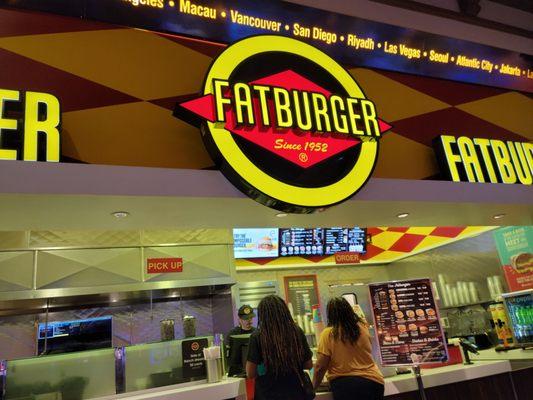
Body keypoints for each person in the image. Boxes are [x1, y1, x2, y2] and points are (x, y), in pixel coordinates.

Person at [313, 297, 384, 400]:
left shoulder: (328, 333)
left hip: (346, 386)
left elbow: (320, 367)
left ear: (330, 314)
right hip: (374, 381)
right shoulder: (362, 327)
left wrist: (313, 387)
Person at [246, 295, 313, 400]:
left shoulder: (257, 336)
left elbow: (250, 373)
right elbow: (308, 364)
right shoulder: (297, 332)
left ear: (263, 315)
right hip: (296, 393)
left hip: (267, 394)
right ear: (284, 311)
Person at [226, 304, 257, 376]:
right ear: (239, 319)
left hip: (253, 370)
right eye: (246, 319)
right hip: (236, 372)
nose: (249, 321)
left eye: (250, 318)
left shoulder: (256, 333)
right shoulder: (233, 334)